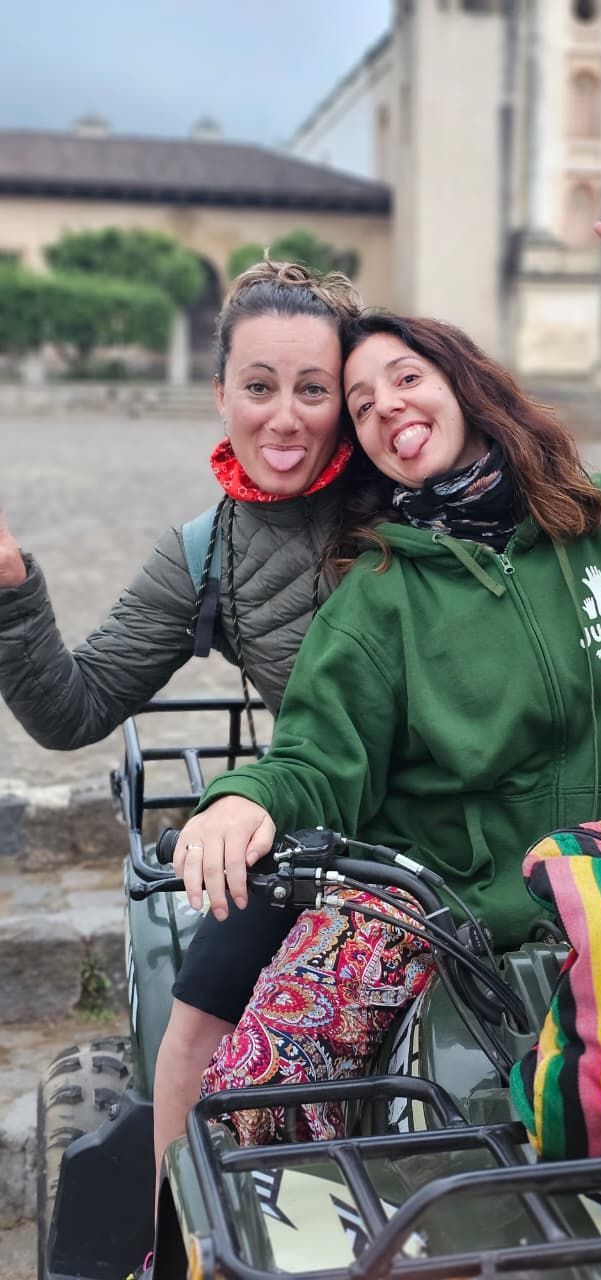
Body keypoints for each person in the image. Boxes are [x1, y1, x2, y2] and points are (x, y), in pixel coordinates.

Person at [172, 193, 601, 1143]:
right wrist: (247, 802)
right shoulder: (379, 594)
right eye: (360, 406)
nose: (386, 407)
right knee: (247, 1111)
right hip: (420, 905)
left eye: (405, 378)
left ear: (465, 382)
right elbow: (320, 757)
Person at [0, 256, 367, 1167]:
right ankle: (185, 1240)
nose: (285, 417)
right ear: (221, 394)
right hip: (312, 823)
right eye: (260, 386)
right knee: (192, 1043)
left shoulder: (406, 499)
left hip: (473, 817)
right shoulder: (204, 555)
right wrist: (9, 589)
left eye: (313, 389)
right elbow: (72, 709)